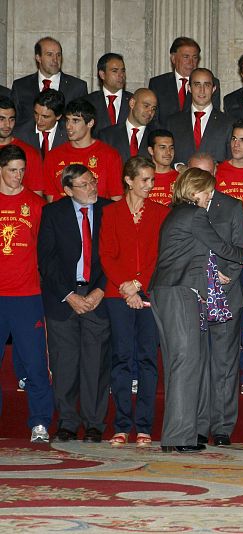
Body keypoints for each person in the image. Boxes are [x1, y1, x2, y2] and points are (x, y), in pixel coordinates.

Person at [149, 168, 243, 453]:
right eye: (207, 192)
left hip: (167, 292)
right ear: (194, 192)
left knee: (180, 362)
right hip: (179, 292)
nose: (210, 197)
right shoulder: (194, 214)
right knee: (187, 364)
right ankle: (179, 437)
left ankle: (179, 435)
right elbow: (223, 247)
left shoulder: (176, 214)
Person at [38, 164, 112, 443]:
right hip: (63, 300)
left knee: (96, 364)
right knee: (65, 363)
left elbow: (114, 254)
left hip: (98, 297)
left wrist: (100, 291)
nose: (92, 187)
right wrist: (69, 295)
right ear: (67, 190)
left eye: (93, 181)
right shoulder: (53, 213)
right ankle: (68, 421)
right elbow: (47, 260)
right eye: (83, 185)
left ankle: (95, 423)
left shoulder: (109, 210)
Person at [98, 156, 169, 448]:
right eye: (145, 180)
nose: (150, 185)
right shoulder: (112, 212)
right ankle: (122, 425)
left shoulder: (160, 212)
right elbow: (106, 254)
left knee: (148, 360)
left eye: (152, 180)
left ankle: (144, 427)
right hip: (119, 296)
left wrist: (139, 285)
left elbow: (159, 255)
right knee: (122, 359)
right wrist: (125, 286)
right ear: (129, 180)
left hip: (149, 294)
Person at [0, 145, 53, 443]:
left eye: (22, 170)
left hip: (27, 296)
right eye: (12, 170)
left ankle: (40, 422)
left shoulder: (35, 204)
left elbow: (44, 251)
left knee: (34, 362)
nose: (18, 176)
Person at [42, 99, 123, 202]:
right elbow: (51, 200)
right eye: (67, 120)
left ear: (90, 123)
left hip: (98, 215)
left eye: (75, 121)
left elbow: (116, 200)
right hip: (64, 216)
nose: (68, 126)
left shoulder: (110, 155)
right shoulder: (53, 156)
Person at [11, 37, 87, 126]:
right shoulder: (20, 86)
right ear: (38, 58)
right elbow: (14, 121)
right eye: (49, 54)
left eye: (58, 55)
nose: (55, 59)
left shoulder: (77, 87)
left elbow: (82, 124)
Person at [165, 68, 234, 165]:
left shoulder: (228, 123)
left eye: (207, 85)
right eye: (197, 85)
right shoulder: (173, 122)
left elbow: (231, 160)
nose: (202, 90)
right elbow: (165, 157)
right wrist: (178, 167)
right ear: (189, 88)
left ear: (213, 89)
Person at [148, 37, 221, 124]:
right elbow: (152, 119)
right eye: (186, 57)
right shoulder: (158, 84)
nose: (191, 62)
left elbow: (214, 118)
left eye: (194, 57)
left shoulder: (211, 82)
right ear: (173, 59)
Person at [97, 88, 159, 163]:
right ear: (132, 103)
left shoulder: (157, 137)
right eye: (146, 106)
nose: (150, 112)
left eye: (153, 108)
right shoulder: (107, 135)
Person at [0, 96, 45, 195]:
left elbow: (36, 197)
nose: (7, 125)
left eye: (11, 119)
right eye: (1, 119)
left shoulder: (29, 153)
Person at [13, 88, 67, 160]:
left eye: (45, 117)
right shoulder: (19, 134)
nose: (38, 121)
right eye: (36, 114)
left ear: (58, 116)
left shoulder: (69, 135)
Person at [85, 53, 131, 133]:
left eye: (123, 71)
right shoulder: (88, 102)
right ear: (102, 75)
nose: (121, 75)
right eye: (115, 71)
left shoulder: (133, 101)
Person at [146, 129, 178, 206]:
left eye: (171, 148)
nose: (168, 152)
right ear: (151, 150)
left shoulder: (181, 178)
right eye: (163, 147)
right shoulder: (141, 177)